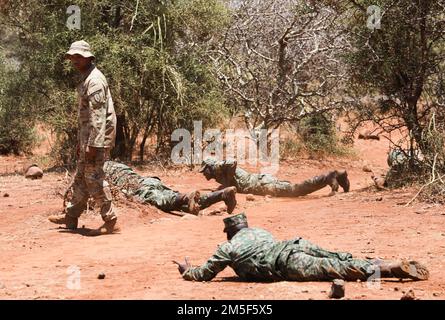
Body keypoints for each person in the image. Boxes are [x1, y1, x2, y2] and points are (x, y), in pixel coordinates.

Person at [174, 213, 429, 282]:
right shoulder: (261, 231)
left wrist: (187, 270)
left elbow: (205, 274)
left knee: (337, 268)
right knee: (338, 255)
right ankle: (378, 261)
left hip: (286, 263)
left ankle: (388, 269)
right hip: (294, 245)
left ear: (229, 232)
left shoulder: (227, 247)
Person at [48, 40, 118, 236]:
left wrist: (93, 145)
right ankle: (71, 216)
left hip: (96, 140)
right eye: (72, 57)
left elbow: (98, 116)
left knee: (93, 177)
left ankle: (110, 220)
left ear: (88, 58)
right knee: (81, 177)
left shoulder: (95, 80)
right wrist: (83, 143)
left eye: (78, 57)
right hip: (88, 138)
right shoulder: (87, 77)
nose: (74, 61)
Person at [104, 161, 237, 214]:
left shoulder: (97, 170)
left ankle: (185, 197)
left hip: (139, 187)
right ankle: (222, 195)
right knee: (186, 205)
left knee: (165, 201)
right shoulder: (114, 164)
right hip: (150, 180)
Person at [199, 158, 350, 197]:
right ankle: (339, 177)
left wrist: (218, 165)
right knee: (297, 190)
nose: (204, 174)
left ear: (211, 167)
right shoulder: (221, 178)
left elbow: (232, 162)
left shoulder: (223, 169)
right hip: (261, 184)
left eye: (204, 170)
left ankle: (330, 176)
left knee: (296, 190)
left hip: (263, 184)